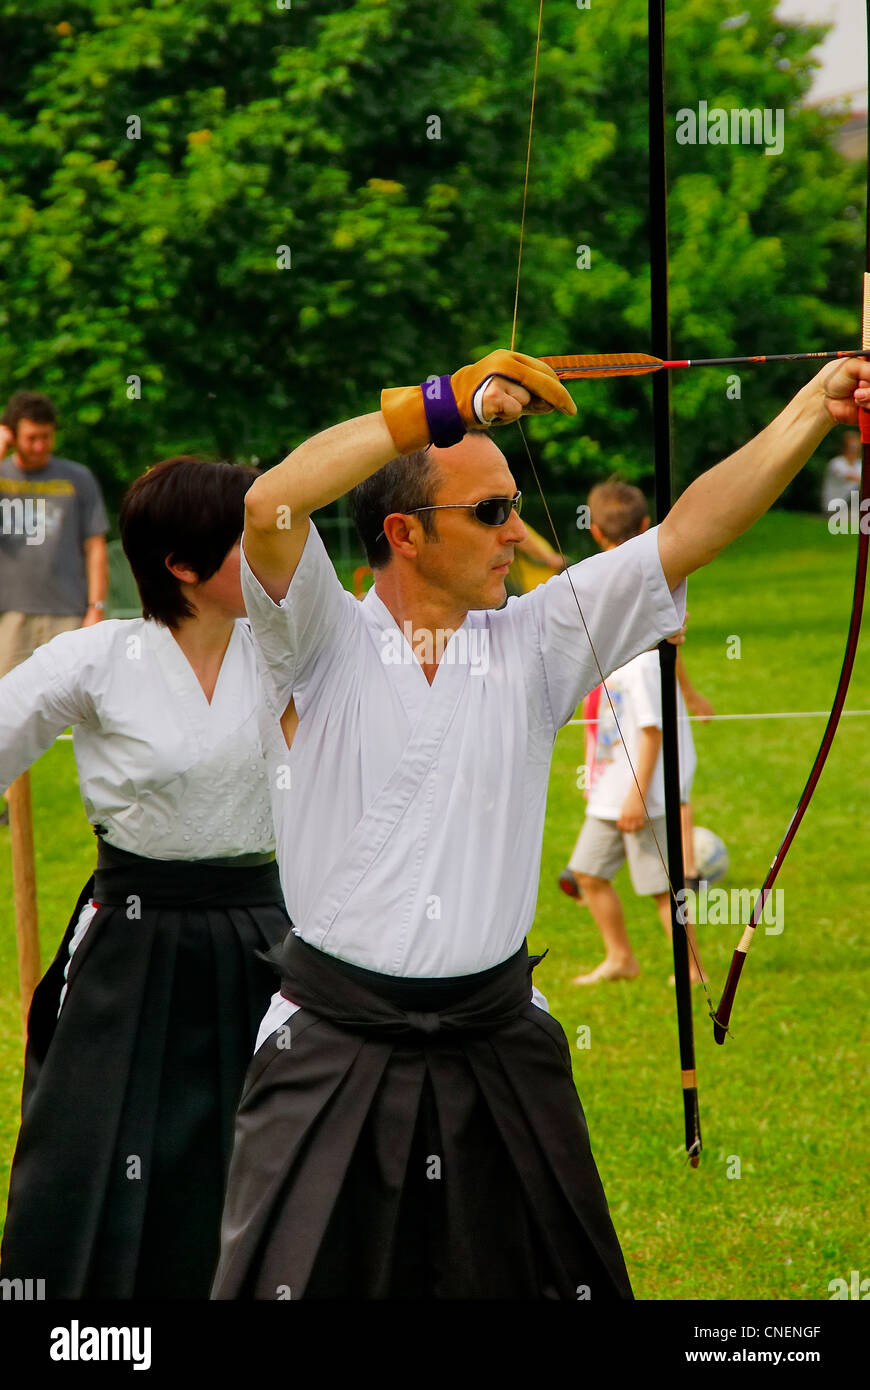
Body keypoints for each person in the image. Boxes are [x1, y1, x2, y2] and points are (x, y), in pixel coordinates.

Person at [212, 347, 870, 1301]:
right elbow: (271, 506)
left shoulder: (537, 640)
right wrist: (436, 405)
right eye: (489, 512)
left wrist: (815, 405)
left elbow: (687, 533)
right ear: (403, 531)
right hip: (331, 1044)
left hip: (497, 1041)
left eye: (516, 508)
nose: (517, 535)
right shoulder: (322, 637)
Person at [0, 457, 290, 1299]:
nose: (272, 557)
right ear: (182, 566)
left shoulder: (292, 646)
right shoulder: (101, 657)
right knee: (93, 1149)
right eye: (247, 540)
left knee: (265, 1149)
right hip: (131, 930)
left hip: (263, 935)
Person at [556, 481, 707, 985]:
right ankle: (620, 957)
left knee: (664, 888)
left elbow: (650, 732)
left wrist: (637, 797)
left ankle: (691, 969)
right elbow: (597, 715)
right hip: (609, 794)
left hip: (641, 797)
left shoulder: (640, 659)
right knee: (588, 875)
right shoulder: (610, 656)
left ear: (595, 531)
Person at [0, 391, 109, 825]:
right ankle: (10, 806)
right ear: (13, 434)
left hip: (69, 609)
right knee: (6, 711)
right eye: (31, 438)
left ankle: (101, 802)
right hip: (12, 614)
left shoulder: (76, 478)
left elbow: (95, 545)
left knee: (85, 711)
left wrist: (96, 606)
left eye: (47, 437)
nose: (41, 446)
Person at [820, 429, 861, 515]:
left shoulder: (859, 464)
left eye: (857, 447)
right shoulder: (836, 463)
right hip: (834, 506)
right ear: (845, 448)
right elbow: (852, 478)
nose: (854, 450)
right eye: (852, 447)